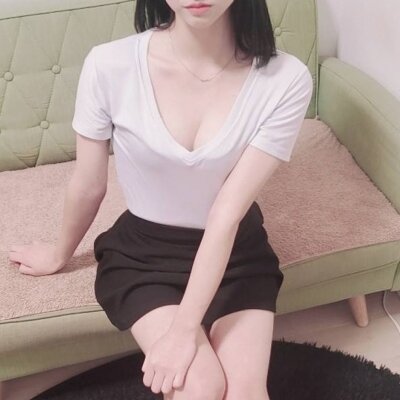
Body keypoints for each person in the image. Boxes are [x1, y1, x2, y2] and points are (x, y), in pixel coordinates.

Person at [8, 1, 313, 399]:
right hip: (145, 257)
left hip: (235, 253)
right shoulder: (109, 65)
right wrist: (58, 253)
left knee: (245, 392)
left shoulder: (286, 78)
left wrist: (184, 330)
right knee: (199, 386)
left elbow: (226, 213)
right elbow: (89, 184)